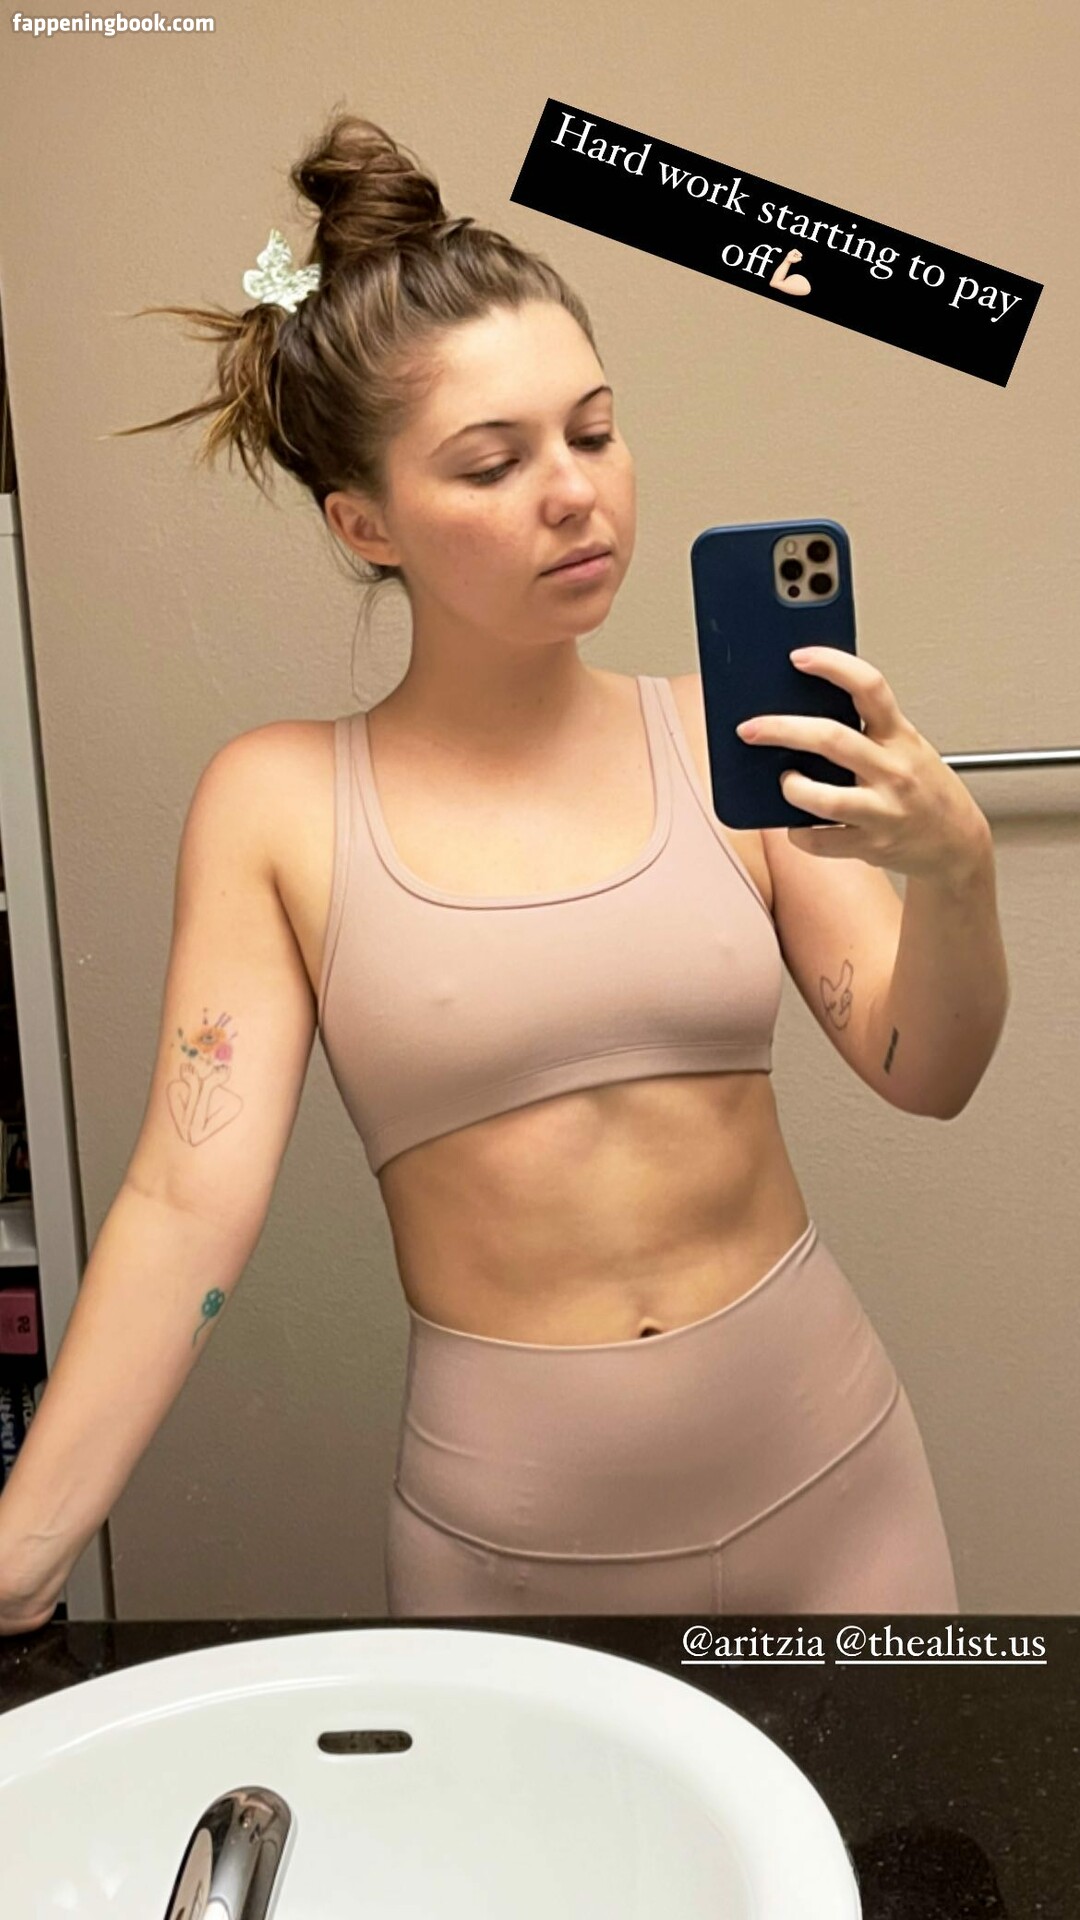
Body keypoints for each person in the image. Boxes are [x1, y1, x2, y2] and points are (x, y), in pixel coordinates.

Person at [0, 110, 1009, 1629]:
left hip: (840, 1494)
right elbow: (183, 1199)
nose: (574, 491)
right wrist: (22, 1549)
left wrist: (957, 871)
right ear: (365, 523)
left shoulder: (729, 742)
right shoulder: (280, 805)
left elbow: (925, 1069)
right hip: (514, 1558)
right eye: (494, 461)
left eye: (593, 433)